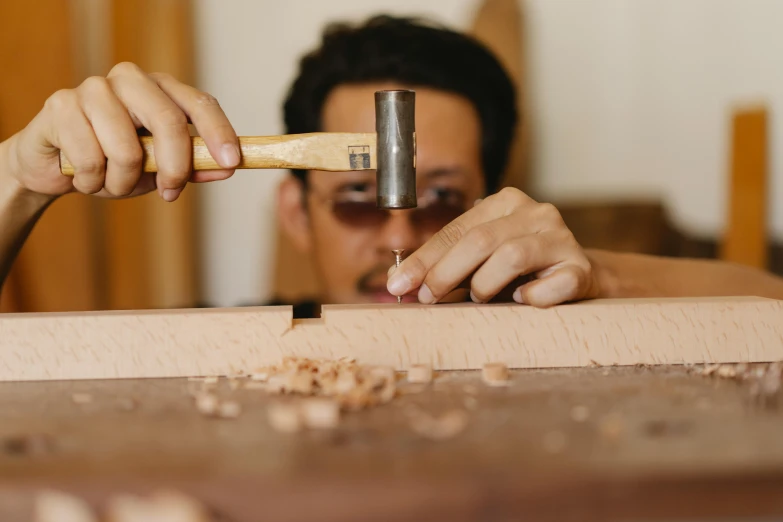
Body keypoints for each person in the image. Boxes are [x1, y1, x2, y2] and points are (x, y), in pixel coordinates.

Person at [1, 15, 782, 317]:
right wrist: (14, 180)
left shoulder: (551, 331)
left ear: (497, 200)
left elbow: (767, 303)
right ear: (295, 215)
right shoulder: (214, 344)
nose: (400, 235)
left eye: (443, 196)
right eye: (354, 199)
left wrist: (601, 279)